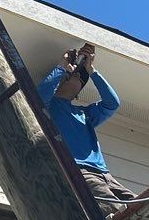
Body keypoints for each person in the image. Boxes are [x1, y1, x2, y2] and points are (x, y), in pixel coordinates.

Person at [38, 43, 132, 204]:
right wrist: (62, 66)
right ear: (60, 82)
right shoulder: (48, 108)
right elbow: (38, 97)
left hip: (104, 173)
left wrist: (91, 70)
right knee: (113, 208)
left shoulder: (84, 114)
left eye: (81, 78)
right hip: (78, 170)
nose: (78, 77)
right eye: (74, 74)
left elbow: (112, 103)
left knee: (139, 205)